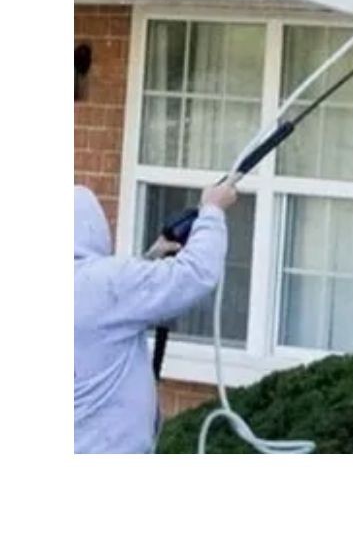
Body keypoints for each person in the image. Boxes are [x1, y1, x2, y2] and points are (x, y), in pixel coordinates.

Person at [73, 178, 238, 453]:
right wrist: (212, 211)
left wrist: (152, 258)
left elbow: (109, 309)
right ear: (93, 228)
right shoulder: (104, 282)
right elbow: (195, 274)